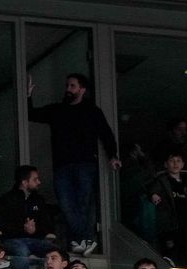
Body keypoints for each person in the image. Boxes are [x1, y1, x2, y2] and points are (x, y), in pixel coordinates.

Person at [26, 72, 119, 254]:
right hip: (62, 166)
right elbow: (32, 114)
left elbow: (106, 134)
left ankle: (81, 240)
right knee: (67, 204)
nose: (68, 89)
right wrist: (28, 95)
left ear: (82, 90)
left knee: (83, 203)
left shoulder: (92, 111)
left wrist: (113, 156)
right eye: (67, 85)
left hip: (85, 164)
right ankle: (86, 239)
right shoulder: (58, 110)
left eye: (72, 86)